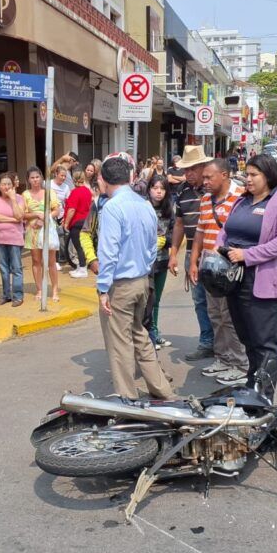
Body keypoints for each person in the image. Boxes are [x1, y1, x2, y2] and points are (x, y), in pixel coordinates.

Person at [216, 155, 277, 394]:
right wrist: (219, 248)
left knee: (265, 343)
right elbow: (227, 230)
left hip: (263, 281)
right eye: (247, 174)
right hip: (236, 279)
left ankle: (264, 396)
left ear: (269, 176)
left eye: (253, 175)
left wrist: (247, 255)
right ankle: (253, 385)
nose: (248, 179)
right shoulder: (242, 201)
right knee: (247, 337)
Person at [95, 155, 172, 402]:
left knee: (120, 344)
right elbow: (153, 245)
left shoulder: (112, 208)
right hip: (141, 280)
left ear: (104, 180)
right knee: (139, 334)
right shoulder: (144, 204)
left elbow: (108, 252)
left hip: (121, 284)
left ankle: (127, 401)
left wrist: (102, 289)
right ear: (128, 177)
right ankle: (162, 391)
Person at [188, 158, 249, 387]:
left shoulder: (241, 198)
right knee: (215, 315)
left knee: (230, 317)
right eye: (203, 177)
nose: (204, 182)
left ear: (224, 175)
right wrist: (194, 263)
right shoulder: (205, 200)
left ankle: (240, 364)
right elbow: (200, 234)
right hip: (210, 270)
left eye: (208, 177)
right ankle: (222, 358)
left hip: (231, 269)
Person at [167, 146, 214, 361]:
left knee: (220, 303)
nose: (189, 174)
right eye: (186, 170)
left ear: (203, 167)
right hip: (192, 255)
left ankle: (225, 344)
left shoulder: (214, 187)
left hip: (215, 253)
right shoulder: (183, 191)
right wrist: (173, 253)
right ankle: (207, 342)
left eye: (193, 169)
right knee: (200, 301)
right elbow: (178, 223)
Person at [22, 166, 60, 302]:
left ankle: (55, 290)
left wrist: (45, 218)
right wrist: (35, 215)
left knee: (51, 262)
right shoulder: (25, 194)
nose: (35, 180)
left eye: (37, 177)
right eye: (32, 177)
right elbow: (22, 214)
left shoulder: (49, 192)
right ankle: (39, 289)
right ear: (28, 180)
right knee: (36, 261)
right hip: (32, 232)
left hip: (47, 230)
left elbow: (57, 210)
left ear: (42, 178)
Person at [146, 174, 175, 349]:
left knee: (156, 300)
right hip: (145, 263)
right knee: (147, 300)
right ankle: (148, 334)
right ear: (149, 189)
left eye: (162, 188)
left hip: (162, 261)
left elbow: (174, 234)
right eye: (155, 188)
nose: (158, 192)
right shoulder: (143, 208)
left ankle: (155, 333)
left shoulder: (168, 210)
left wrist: (165, 240)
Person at [0, 172, 25, 306]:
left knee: (16, 268)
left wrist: (13, 199)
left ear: (13, 185)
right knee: (3, 268)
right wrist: (12, 219)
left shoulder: (20, 198)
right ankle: (6, 295)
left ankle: (18, 296)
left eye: (9, 184)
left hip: (15, 238)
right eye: (3, 184)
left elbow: (20, 216)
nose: (6, 186)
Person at [62, 169, 92, 277]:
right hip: (86, 221)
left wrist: (66, 223)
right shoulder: (88, 191)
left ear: (74, 180)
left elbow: (72, 209)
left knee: (78, 245)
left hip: (77, 221)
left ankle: (83, 269)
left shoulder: (75, 192)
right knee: (82, 244)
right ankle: (80, 267)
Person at [49, 164, 71, 266]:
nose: (63, 178)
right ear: (56, 174)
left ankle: (63, 257)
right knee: (53, 238)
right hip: (51, 215)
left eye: (65, 176)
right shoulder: (48, 184)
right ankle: (55, 260)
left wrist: (65, 217)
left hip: (61, 216)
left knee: (62, 238)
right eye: (61, 175)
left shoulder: (66, 187)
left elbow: (68, 203)